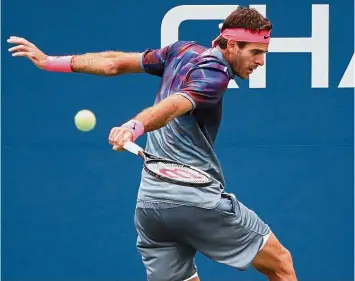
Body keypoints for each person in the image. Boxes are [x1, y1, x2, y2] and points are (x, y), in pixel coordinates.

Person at [8, 6, 298, 281]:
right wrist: (135, 127)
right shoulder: (214, 75)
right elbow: (174, 106)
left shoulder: (180, 50)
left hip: (150, 209)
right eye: (256, 52)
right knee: (281, 264)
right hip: (195, 200)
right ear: (231, 45)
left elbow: (113, 63)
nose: (261, 61)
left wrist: (49, 62)